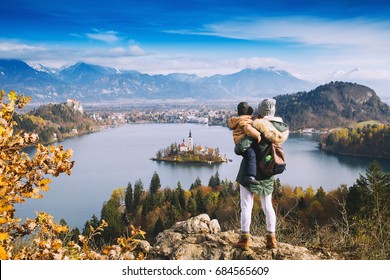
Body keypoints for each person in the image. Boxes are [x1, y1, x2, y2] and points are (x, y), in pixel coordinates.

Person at [233, 98, 289, 250]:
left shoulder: (257, 127)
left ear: (261, 111)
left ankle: (245, 240)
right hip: (268, 172)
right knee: (268, 206)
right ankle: (271, 239)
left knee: (246, 207)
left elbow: (239, 149)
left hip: (249, 174)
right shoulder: (279, 129)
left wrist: (246, 137)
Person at [228, 101, 261, 185]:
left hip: (239, 142)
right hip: (243, 143)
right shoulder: (244, 121)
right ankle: (250, 176)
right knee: (252, 156)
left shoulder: (239, 120)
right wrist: (258, 135)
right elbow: (249, 130)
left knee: (249, 157)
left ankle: (249, 175)